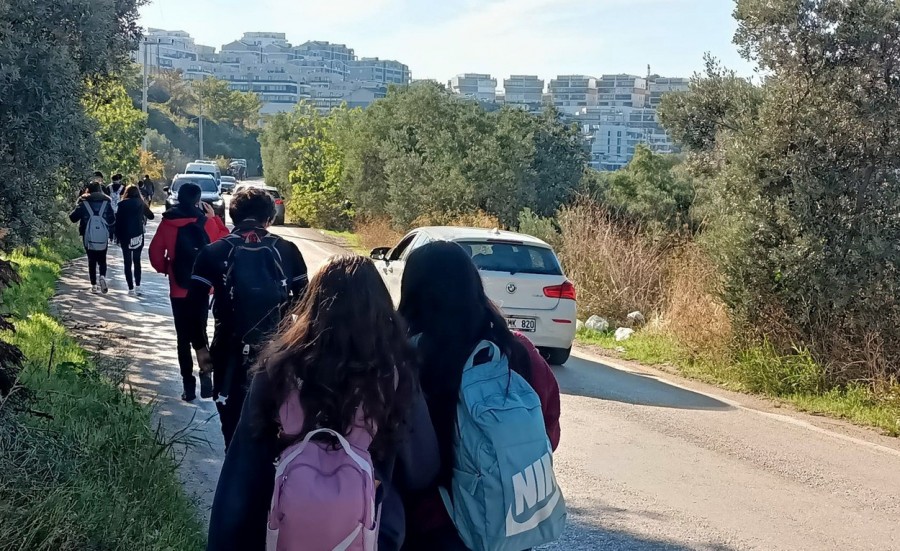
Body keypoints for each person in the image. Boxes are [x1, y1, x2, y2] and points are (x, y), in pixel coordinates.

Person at [207, 255, 439, 551]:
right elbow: (422, 469)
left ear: (313, 305)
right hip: (371, 535)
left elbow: (241, 473)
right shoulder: (395, 377)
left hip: (280, 531)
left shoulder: (279, 370)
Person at [397, 241, 562, 551]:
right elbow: (547, 429)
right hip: (507, 523)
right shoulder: (517, 352)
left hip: (430, 524)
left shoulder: (406, 357)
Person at [186, 187, 308, 448]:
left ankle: (235, 468)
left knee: (232, 430)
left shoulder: (213, 252)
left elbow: (194, 305)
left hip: (228, 351)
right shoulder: (288, 250)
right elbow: (306, 304)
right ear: (269, 218)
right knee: (273, 431)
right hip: (277, 354)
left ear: (233, 216)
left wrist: (200, 347)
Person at [149, 183, 229, 402]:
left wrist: (168, 268)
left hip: (178, 288)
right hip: (201, 289)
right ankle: (206, 372)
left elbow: (155, 253)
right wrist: (214, 219)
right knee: (200, 332)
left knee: (182, 338)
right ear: (198, 201)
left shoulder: (168, 222)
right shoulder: (206, 222)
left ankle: (188, 386)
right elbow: (224, 242)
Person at [69, 182, 116, 293]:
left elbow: (73, 218)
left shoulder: (84, 202)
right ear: (100, 190)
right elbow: (112, 220)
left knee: (91, 260)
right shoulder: (106, 202)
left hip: (88, 235)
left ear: (88, 190)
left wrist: (78, 204)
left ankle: (94, 285)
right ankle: (102, 276)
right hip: (103, 235)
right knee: (102, 259)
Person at [115, 185, 155, 296]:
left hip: (125, 235)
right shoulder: (140, 203)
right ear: (138, 193)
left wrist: (117, 236)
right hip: (138, 235)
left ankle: (130, 288)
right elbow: (151, 216)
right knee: (137, 261)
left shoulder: (122, 204)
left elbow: (118, 221)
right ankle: (138, 286)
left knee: (127, 262)